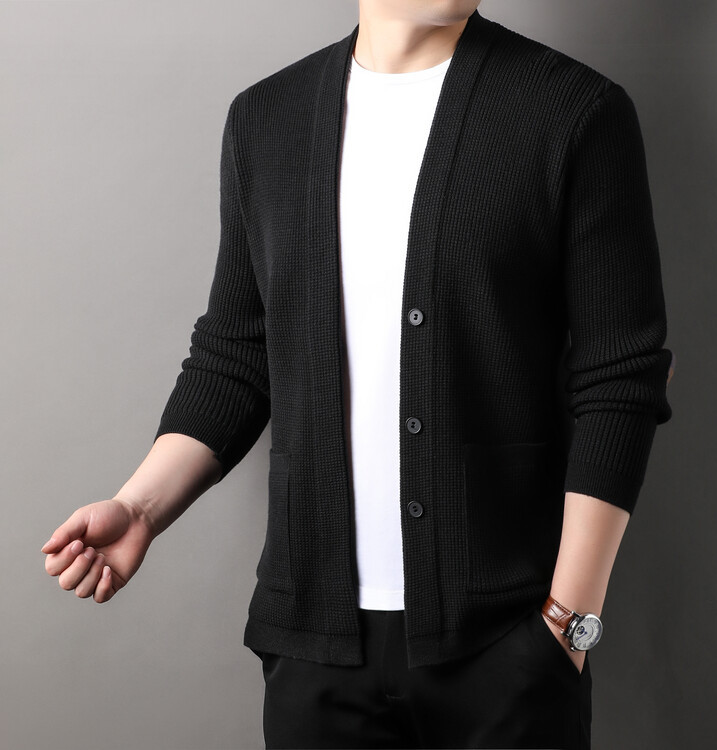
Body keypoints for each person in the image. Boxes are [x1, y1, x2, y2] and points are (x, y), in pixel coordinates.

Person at [41, 2, 675, 748]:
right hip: (315, 643)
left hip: (508, 641)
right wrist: (139, 508)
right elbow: (237, 353)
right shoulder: (266, 120)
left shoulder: (571, 110)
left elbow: (619, 378)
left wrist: (568, 625)